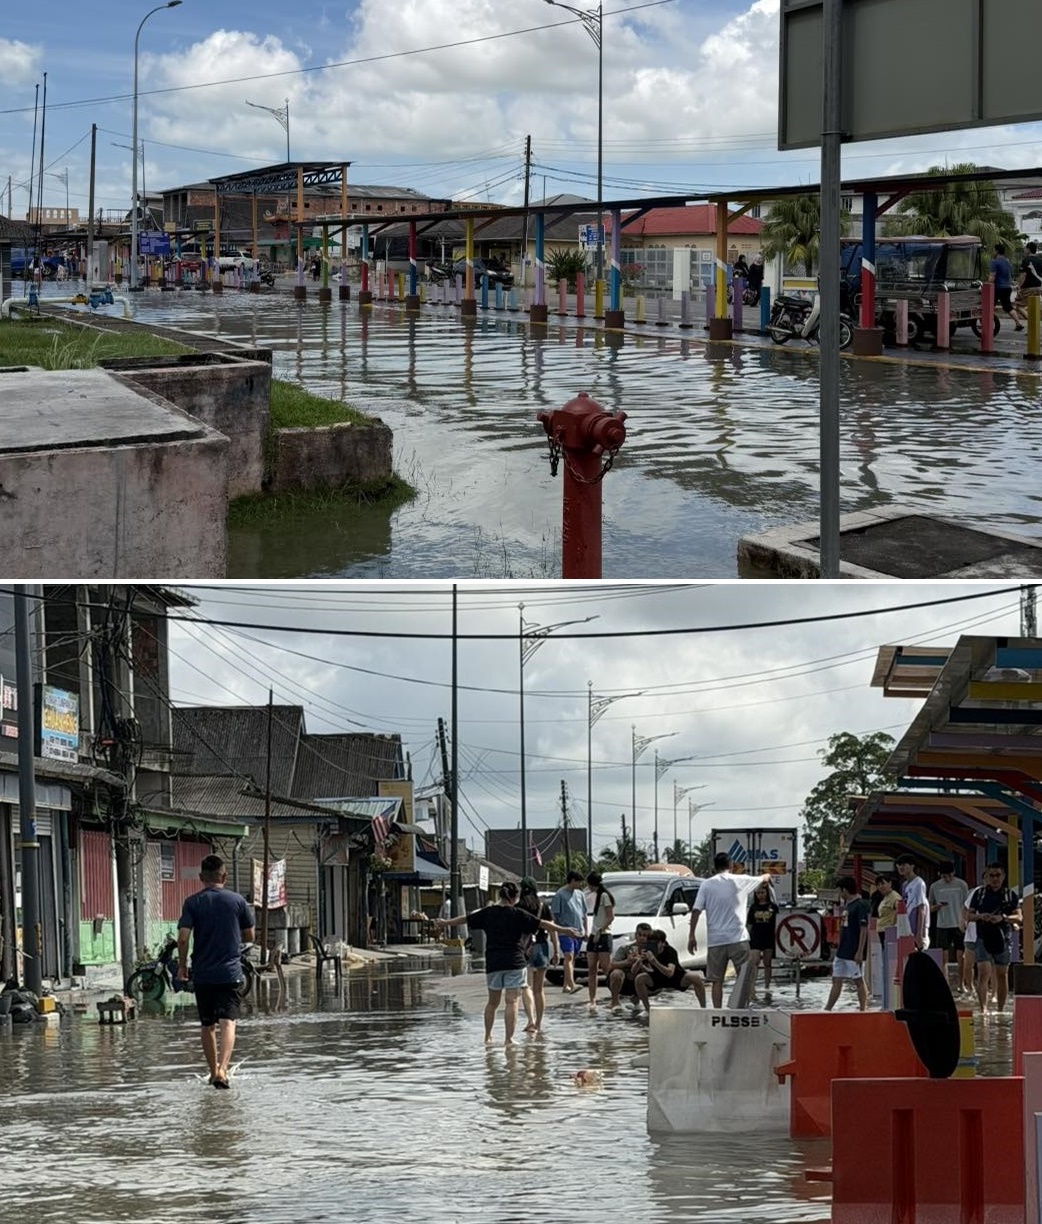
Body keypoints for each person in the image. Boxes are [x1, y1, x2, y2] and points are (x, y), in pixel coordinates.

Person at [435, 881, 580, 1044]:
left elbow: (466, 919)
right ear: (514, 897)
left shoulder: (488, 913)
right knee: (512, 1001)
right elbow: (542, 924)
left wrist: (446, 923)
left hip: (494, 962)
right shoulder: (517, 913)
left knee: (492, 1003)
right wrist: (564, 930)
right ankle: (508, 1039)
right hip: (515, 962)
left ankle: (487, 1036)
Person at [176, 854, 256, 1089]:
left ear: (201, 877)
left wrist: (182, 966)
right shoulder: (238, 901)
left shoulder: (192, 903)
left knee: (207, 1025)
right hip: (230, 973)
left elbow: (182, 938)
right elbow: (250, 935)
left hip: (203, 974)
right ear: (225, 876)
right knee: (228, 1022)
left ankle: (212, 1072)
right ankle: (223, 1069)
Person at [688, 852, 772, 1008]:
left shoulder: (706, 884)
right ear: (731, 866)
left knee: (716, 981)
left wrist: (691, 936)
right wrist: (767, 875)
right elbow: (763, 878)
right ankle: (741, 1009)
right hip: (738, 939)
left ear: (714, 867)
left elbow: (696, 910)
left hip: (716, 940)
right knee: (744, 978)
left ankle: (718, 1012)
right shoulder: (740, 880)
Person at [965, 863, 1022, 1013]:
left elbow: (1019, 917)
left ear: (1003, 876)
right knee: (983, 971)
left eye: (998, 875)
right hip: (982, 937)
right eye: (992, 875)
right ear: (987, 877)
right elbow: (968, 915)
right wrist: (981, 916)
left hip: (1003, 938)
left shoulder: (1010, 895)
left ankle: (1001, 1010)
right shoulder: (979, 894)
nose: (995, 878)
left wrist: (1003, 918)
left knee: (1002, 974)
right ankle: (983, 1009)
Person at [632, 928, 706, 1020]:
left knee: (695, 978)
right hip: (656, 978)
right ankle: (647, 1009)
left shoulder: (670, 951)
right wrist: (638, 961)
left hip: (675, 978)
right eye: (651, 943)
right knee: (639, 978)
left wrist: (655, 962)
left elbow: (670, 973)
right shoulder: (647, 951)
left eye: (656, 943)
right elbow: (633, 972)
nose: (653, 946)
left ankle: (703, 1008)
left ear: (662, 943)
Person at [517, 877, 556, 1034]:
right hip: (541, 946)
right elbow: (552, 928)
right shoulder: (543, 906)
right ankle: (539, 1024)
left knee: (526, 986)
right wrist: (557, 951)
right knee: (539, 990)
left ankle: (530, 1020)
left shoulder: (519, 907)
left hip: (523, 948)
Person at [825, 876, 869, 1012]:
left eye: (840, 891)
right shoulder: (847, 905)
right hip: (842, 950)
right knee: (836, 979)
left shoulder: (860, 905)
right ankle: (828, 1008)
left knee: (858, 980)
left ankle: (863, 1009)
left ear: (845, 890)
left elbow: (863, 929)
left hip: (852, 950)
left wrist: (860, 951)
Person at [928, 861, 970, 992]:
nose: (947, 878)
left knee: (961, 956)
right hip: (942, 924)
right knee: (943, 956)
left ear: (954, 873)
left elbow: (967, 905)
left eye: (949, 876)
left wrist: (965, 921)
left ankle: (961, 983)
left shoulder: (961, 885)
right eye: (944, 876)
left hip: (959, 923)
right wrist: (937, 906)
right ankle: (944, 984)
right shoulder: (934, 887)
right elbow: (929, 907)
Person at [550, 870, 587, 994]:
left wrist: (585, 929)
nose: (580, 885)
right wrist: (556, 931)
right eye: (578, 882)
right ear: (572, 881)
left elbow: (584, 913)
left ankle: (566, 985)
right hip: (565, 931)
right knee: (568, 956)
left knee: (573, 957)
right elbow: (554, 915)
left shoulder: (580, 894)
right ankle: (572, 984)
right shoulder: (560, 894)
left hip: (578, 930)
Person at [585, 871, 615, 1009]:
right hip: (594, 934)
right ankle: (592, 999)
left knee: (606, 968)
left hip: (603, 934)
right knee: (592, 968)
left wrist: (600, 930)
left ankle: (615, 997)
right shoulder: (596, 896)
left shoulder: (604, 896)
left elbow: (610, 917)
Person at [608, 922, 652, 1008]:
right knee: (616, 973)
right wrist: (627, 962)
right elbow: (612, 964)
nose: (642, 938)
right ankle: (615, 1001)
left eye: (646, 936)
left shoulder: (651, 949)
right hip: (626, 979)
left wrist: (647, 960)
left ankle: (639, 998)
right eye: (640, 935)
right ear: (636, 935)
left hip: (642, 977)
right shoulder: (625, 948)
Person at [747, 882, 779, 996]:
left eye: (763, 892)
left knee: (767, 962)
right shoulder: (753, 907)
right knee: (754, 962)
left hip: (769, 937)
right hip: (755, 937)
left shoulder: (773, 907)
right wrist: (747, 936)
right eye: (759, 893)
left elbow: (778, 923)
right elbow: (749, 923)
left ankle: (767, 985)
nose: (761, 895)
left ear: (767, 893)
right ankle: (752, 985)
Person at [895, 854, 929, 950]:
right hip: (906, 925)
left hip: (916, 927)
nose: (901, 867)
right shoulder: (904, 884)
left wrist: (919, 933)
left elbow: (921, 908)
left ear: (912, 866)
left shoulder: (919, 883)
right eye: (899, 865)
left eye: (904, 865)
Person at [989, 243, 1026, 329]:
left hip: (998, 288)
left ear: (997, 251)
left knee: (989, 305)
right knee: (1007, 306)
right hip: (1007, 287)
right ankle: (1018, 323)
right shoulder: (1008, 261)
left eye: (994, 250)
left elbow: (992, 277)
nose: (993, 252)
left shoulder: (995, 262)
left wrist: (986, 285)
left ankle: (987, 324)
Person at [875, 874, 899, 950]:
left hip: (887, 932)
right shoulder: (885, 897)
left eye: (883, 884)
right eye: (878, 885)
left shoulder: (894, 896)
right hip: (881, 931)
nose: (880, 887)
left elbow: (900, 909)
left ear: (890, 883)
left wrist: (893, 923)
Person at [1018, 241, 1042, 307]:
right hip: (1038, 287)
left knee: (1019, 306)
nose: (1024, 250)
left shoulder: (1026, 260)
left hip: (1028, 288)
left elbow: (1023, 275)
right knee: (1033, 307)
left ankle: (1029, 317)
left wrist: (1019, 287)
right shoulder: (1040, 261)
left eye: (1025, 248)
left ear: (1029, 249)